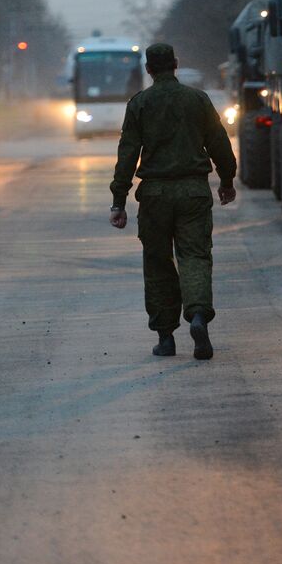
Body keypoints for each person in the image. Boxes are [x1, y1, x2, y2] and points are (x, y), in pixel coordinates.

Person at [109, 43, 237, 359]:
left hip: (154, 196)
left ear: (149, 69)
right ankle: (197, 316)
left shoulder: (140, 104)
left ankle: (166, 338)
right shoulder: (198, 100)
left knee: (158, 263)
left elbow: (127, 154)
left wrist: (119, 200)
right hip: (193, 192)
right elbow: (220, 143)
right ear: (176, 64)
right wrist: (227, 180)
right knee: (194, 255)